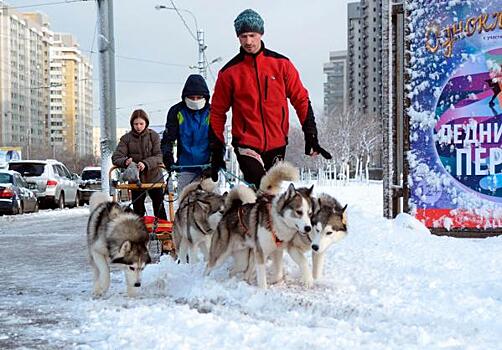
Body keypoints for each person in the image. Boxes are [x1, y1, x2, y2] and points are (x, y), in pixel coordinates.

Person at [209, 8, 332, 189]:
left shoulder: (282, 65)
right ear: (238, 37)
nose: (248, 41)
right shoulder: (229, 73)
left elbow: (301, 99)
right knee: (263, 188)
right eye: (243, 36)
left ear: (261, 33)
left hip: (277, 142)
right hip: (246, 143)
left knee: (271, 195)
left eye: (252, 35)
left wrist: (310, 134)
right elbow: (218, 111)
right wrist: (216, 148)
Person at [112, 109, 167, 220]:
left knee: (159, 207)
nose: (138, 126)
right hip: (135, 180)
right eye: (135, 124)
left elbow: (159, 156)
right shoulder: (126, 139)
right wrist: (125, 161)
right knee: (138, 210)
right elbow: (116, 157)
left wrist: (145, 164)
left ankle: (164, 232)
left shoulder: (154, 136)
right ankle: (138, 233)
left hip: (154, 178)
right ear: (132, 124)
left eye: (141, 123)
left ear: (146, 123)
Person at [161, 74, 211, 194]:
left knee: (212, 206)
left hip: (208, 167)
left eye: (199, 97)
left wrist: (215, 162)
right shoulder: (176, 112)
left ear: (205, 97)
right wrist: (168, 157)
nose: (195, 100)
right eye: (192, 97)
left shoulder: (213, 112)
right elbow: (168, 139)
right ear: (185, 97)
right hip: (185, 167)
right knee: (185, 204)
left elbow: (218, 140)